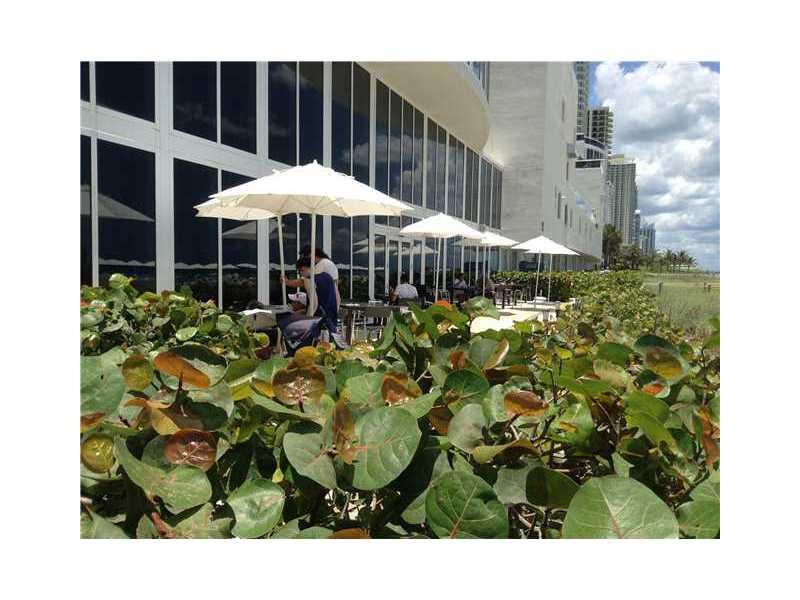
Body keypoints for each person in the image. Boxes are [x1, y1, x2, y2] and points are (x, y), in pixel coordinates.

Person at [282, 257, 338, 333]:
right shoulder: (328, 276)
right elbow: (337, 298)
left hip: (317, 322)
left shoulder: (309, 280)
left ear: (309, 268)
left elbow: (314, 303)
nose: (300, 274)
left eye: (301, 270)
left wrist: (307, 322)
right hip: (331, 320)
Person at [301, 245, 340, 310]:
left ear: (311, 254)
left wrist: (288, 282)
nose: (306, 260)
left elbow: (304, 281)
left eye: (306, 257)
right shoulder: (328, 262)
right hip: (332, 302)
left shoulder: (322, 264)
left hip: (325, 304)